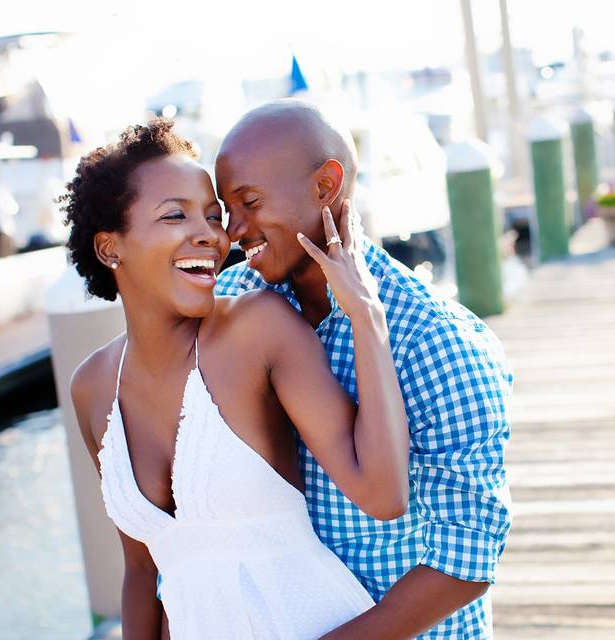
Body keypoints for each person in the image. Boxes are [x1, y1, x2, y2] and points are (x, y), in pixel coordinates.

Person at [63, 119, 410, 639]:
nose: (211, 234)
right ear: (111, 248)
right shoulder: (91, 386)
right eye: (175, 215)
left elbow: (384, 495)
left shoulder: (257, 328)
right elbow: (142, 571)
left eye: (211, 215)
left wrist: (368, 320)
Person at [214, 99, 514, 639]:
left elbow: (467, 558)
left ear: (326, 187)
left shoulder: (434, 340)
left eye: (250, 202)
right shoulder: (233, 304)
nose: (234, 230)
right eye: (226, 209)